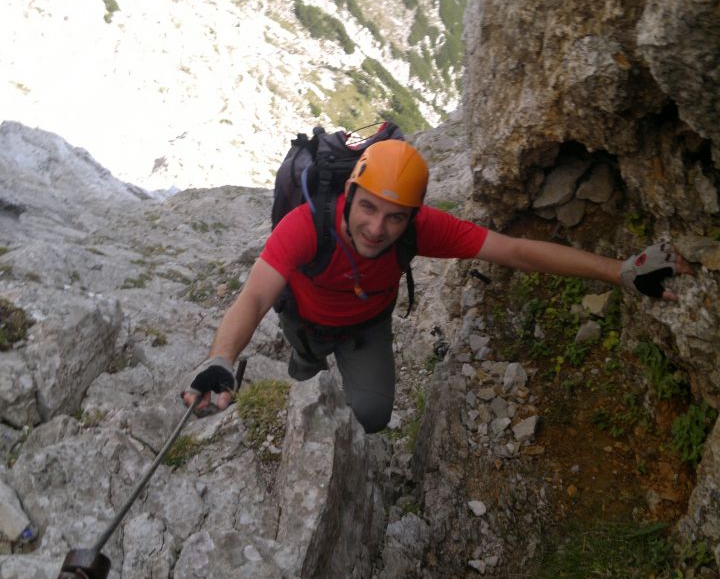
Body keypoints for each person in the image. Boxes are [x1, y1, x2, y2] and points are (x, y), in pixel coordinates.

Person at [182, 139, 693, 432]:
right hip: (307, 322)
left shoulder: (426, 229)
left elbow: (515, 251)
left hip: (365, 327)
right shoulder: (304, 226)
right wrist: (220, 359)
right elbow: (254, 295)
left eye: (396, 218)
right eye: (368, 208)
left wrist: (620, 271)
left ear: (414, 216)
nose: (378, 229)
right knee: (305, 372)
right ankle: (306, 370)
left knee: (374, 416)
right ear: (349, 195)